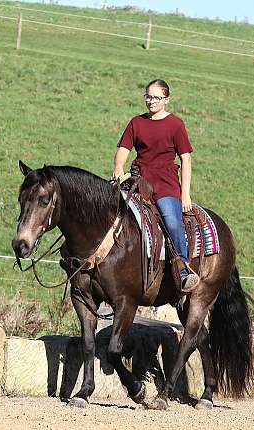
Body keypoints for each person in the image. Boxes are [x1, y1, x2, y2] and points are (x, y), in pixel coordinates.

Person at [112, 79, 200, 293]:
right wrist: (118, 168)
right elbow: (124, 148)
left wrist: (185, 194)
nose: (151, 101)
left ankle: (183, 267)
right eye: (148, 96)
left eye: (156, 97)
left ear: (166, 100)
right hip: (138, 178)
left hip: (165, 182)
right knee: (110, 208)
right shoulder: (136, 122)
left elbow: (186, 159)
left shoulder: (175, 125)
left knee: (171, 219)